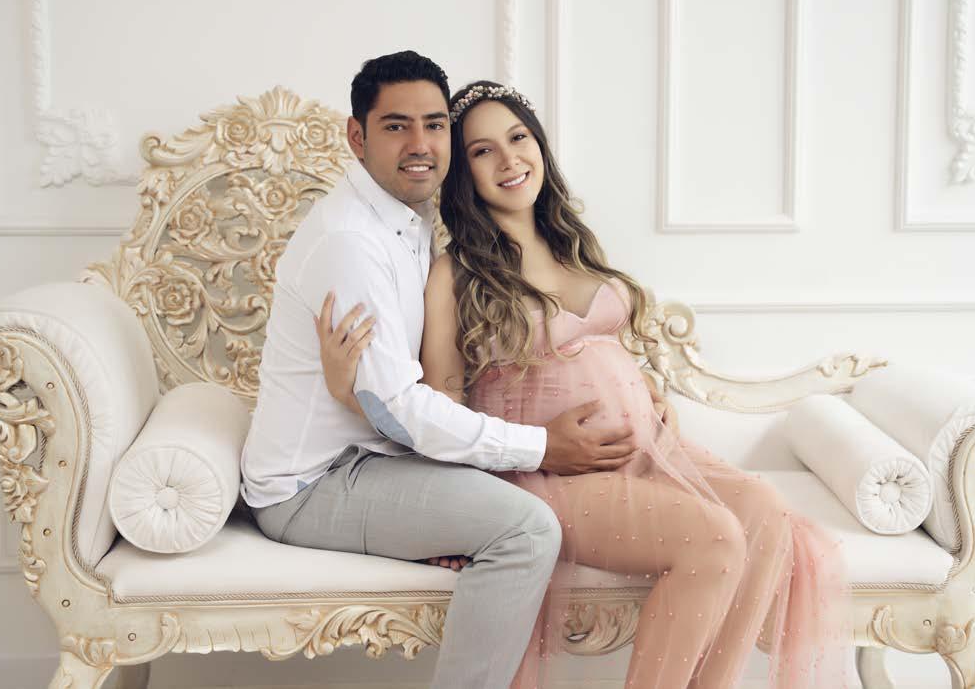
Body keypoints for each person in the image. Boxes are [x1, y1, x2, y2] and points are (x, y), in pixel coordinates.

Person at [316, 80, 854, 687]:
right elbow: (440, 404)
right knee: (714, 539)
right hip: (546, 474)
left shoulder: (574, 245)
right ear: (464, 174)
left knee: (766, 514)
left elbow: (597, 349)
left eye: (519, 138)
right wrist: (351, 393)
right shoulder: (456, 272)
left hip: (645, 450)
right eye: (483, 151)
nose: (509, 159)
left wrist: (642, 392)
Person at [240, 51, 643, 689]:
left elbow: (404, 395)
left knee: (505, 511)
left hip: (379, 457)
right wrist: (544, 447)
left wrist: (369, 407)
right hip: (313, 484)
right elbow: (397, 408)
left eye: (434, 125)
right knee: (525, 527)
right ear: (357, 136)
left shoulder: (410, 218)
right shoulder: (352, 243)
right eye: (396, 126)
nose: (420, 144)